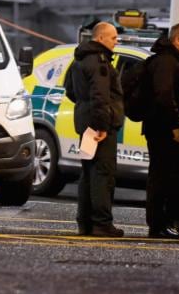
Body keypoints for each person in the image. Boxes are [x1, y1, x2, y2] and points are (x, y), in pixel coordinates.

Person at [64, 21, 125, 237]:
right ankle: (101, 223)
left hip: (85, 123)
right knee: (103, 175)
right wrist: (101, 125)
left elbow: (70, 90)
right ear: (101, 39)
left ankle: (85, 223)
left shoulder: (79, 59)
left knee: (88, 174)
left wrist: (84, 107)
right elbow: (101, 97)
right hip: (98, 128)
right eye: (113, 38)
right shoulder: (100, 62)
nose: (116, 42)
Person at [141, 23, 179, 238]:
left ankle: (163, 224)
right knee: (161, 177)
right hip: (162, 129)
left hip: (162, 127)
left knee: (167, 177)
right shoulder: (166, 62)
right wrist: (174, 126)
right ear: (178, 40)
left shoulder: (173, 60)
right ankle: (157, 225)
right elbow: (164, 96)